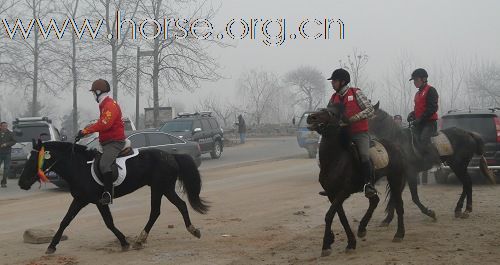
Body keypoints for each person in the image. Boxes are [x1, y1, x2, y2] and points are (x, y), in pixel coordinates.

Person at [325, 68, 377, 198]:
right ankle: (331, 184)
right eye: (332, 81)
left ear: (343, 82)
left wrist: (353, 118)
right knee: (330, 154)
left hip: (359, 133)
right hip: (341, 134)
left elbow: (370, 110)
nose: (332, 83)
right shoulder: (334, 97)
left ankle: (368, 185)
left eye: (334, 81)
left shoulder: (355, 92)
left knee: (364, 156)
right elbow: (328, 114)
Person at [75, 79, 125, 205]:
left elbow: (104, 124)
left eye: (93, 93)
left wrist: (85, 131)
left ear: (98, 92)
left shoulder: (110, 105)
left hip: (115, 142)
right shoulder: (104, 105)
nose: (93, 96)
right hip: (106, 142)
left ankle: (108, 194)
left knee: (104, 165)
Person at [407, 68, 440, 168]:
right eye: (414, 80)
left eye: (416, 80)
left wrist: (420, 119)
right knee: (408, 137)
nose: (414, 82)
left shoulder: (431, 90)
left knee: (423, 139)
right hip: (419, 123)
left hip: (430, 123)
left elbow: (433, 108)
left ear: (424, 79)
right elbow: (418, 109)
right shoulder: (417, 94)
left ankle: (434, 162)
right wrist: (412, 114)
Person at [0, 122, 16, 188]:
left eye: (6, 126)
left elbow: (14, 141)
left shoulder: (10, 133)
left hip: (7, 153)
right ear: (0, 126)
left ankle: (3, 182)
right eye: (3, 126)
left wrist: (6, 144)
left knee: (6, 168)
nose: (5, 127)